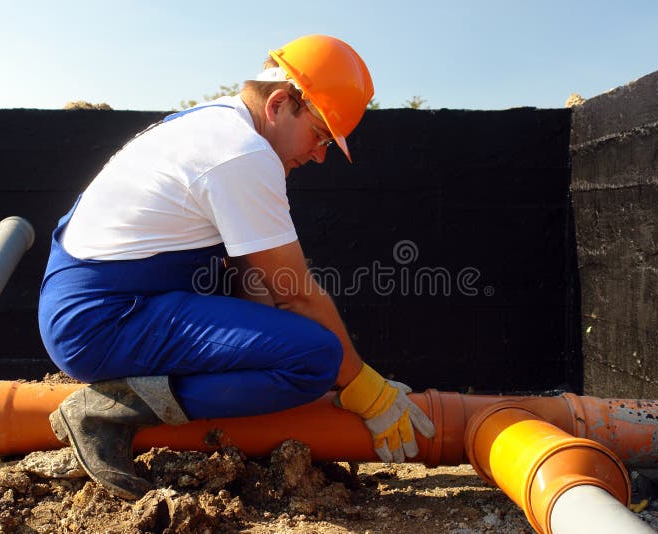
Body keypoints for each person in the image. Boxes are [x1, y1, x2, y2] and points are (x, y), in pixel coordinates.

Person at [38, 34, 435, 500]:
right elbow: (296, 293)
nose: (319, 154)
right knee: (315, 358)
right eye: (320, 134)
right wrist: (366, 388)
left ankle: (203, 418)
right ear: (280, 103)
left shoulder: (216, 125)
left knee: (295, 343)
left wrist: (262, 357)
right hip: (104, 318)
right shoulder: (242, 153)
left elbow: (256, 277)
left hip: (102, 301)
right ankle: (107, 410)